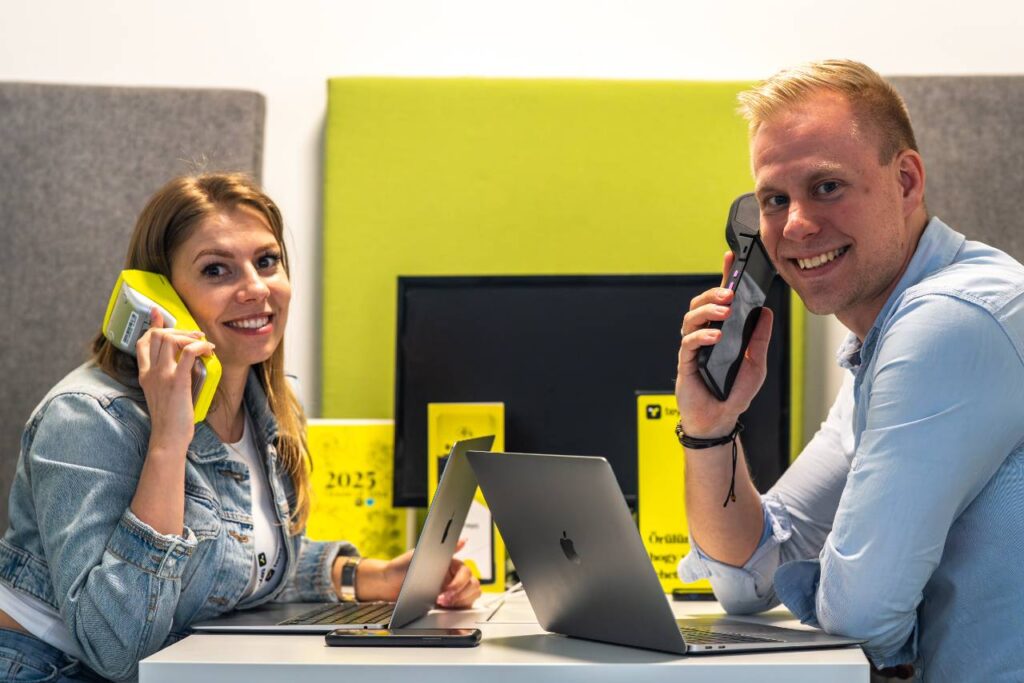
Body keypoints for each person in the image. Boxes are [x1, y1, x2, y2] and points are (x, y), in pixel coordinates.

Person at [0, 173, 481, 682]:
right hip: (51, 669)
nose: (255, 288)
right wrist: (169, 440)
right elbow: (116, 647)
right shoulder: (87, 416)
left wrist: (371, 577)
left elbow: (237, 560)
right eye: (216, 270)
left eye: (267, 261)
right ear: (159, 297)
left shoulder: (267, 402)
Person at [674, 60, 1024, 681]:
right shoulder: (882, 340)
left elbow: (863, 614)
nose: (796, 224)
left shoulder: (949, 322)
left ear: (906, 180)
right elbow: (751, 577)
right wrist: (709, 429)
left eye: (827, 186)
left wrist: (838, 582)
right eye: (775, 200)